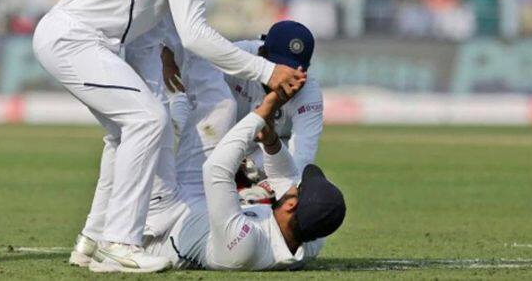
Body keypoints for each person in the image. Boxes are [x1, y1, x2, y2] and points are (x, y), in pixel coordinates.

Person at [34, 0, 306, 273]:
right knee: (148, 121)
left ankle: (91, 241)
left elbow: (153, 24)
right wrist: (265, 70)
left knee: (124, 134)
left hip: (82, 39)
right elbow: (194, 34)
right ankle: (119, 243)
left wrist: (164, 56)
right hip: (76, 40)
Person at [78, 90, 345, 271]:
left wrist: (260, 114)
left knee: (145, 125)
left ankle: (98, 240)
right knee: (212, 105)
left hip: (162, 224)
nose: (294, 185)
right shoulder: (310, 238)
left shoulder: (247, 248)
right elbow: (285, 178)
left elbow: (216, 170)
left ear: (290, 206)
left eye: (297, 190)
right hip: (192, 204)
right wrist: (272, 141)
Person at [167, 20, 324, 203]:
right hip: (219, 146)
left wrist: (273, 187)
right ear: (262, 53)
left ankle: (254, 193)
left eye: (297, 70)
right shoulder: (238, 56)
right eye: (280, 67)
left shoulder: (309, 91)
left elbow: (302, 157)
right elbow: (192, 98)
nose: (288, 78)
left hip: (264, 159)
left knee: (302, 189)